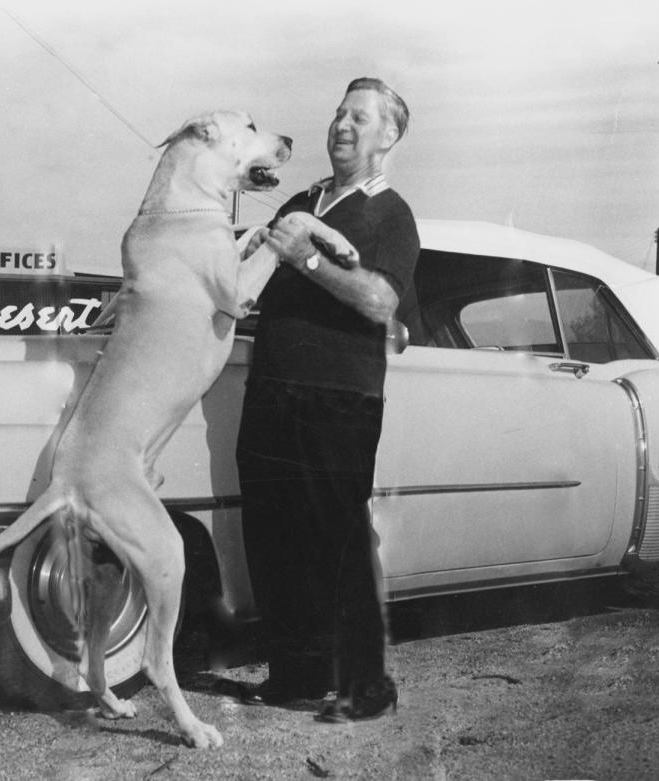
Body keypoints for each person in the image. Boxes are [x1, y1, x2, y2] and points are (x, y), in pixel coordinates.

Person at [234, 77, 419, 723]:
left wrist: (309, 263)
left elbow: (380, 302)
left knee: (336, 537)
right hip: (272, 386)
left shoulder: (390, 211)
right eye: (339, 113)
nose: (342, 125)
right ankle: (296, 672)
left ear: (389, 135)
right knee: (273, 533)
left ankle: (368, 685)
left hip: (340, 395)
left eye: (360, 118)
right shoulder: (305, 197)